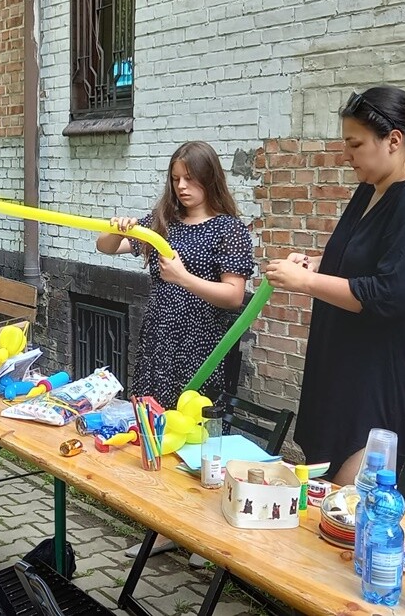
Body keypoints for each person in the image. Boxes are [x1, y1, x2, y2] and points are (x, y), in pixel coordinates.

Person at [263, 86, 405, 484]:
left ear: (393, 140)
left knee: (352, 503)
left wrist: (308, 281)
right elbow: (360, 261)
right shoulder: (371, 187)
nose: (346, 155)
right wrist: (316, 265)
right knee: (330, 495)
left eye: (355, 144)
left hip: (390, 378)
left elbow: (391, 294)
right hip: (351, 369)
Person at [96, 140, 253, 560]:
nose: (182, 187)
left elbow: (234, 296)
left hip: (202, 346)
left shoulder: (229, 230)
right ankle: (164, 526)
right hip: (159, 341)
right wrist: (118, 228)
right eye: (176, 178)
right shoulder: (163, 221)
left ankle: (204, 530)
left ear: (209, 179)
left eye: (190, 179)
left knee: (201, 437)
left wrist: (183, 277)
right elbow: (106, 247)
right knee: (157, 431)